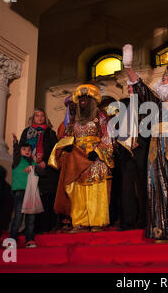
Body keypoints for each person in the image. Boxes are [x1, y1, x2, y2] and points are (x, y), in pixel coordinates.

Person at [123, 44, 168, 243]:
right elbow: (140, 87)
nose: (165, 79)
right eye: (164, 77)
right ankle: (162, 230)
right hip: (157, 151)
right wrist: (128, 68)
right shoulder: (154, 101)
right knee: (157, 188)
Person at [49, 84, 114, 233]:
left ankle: (97, 222)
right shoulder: (73, 121)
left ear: (92, 101)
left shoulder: (101, 116)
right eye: (80, 99)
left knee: (95, 189)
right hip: (77, 159)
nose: (82, 101)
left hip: (95, 159)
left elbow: (108, 136)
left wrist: (98, 152)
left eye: (86, 98)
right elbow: (67, 137)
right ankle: (80, 223)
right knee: (78, 191)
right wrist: (66, 147)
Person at [19, 109, 59, 233]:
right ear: (33, 118)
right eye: (37, 115)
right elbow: (22, 149)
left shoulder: (51, 133)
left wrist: (45, 162)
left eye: (42, 116)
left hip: (47, 171)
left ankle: (47, 226)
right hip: (31, 168)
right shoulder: (27, 132)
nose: (40, 118)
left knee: (47, 198)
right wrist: (31, 162)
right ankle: (32, 228)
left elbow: (55, 150)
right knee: (32, 197)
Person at [114, 88, 149, 230]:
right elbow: (117, 127)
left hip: (142, 151)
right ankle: (128, 220)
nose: (130, 91)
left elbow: (151, 128)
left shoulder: (147, 105)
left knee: (143, 187)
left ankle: (145, 219)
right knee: (127, 189)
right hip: (126, 154)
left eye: (133, 89)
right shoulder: (124, 105)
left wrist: (140, 140)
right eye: (129, 89)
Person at [10, 135, 43, 248]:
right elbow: (16, 153)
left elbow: (41, 173)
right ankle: (12, 240)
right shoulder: (17, 160)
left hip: (32, 192)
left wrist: (35, 167)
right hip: (20, 191)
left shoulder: (32, 163)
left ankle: (29, 240)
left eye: (29, 150)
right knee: (18, 217)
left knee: (31, 218)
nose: (27, 151)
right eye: (24, 149)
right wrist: (15, 143)